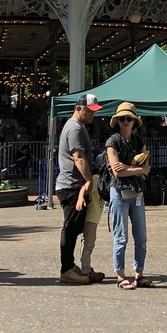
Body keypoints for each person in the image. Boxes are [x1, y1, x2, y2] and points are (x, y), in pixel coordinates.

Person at [57, 94, 102, 284]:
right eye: (89, 111)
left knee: (74, 228)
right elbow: (79, 158)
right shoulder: (75, 128)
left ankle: (69, 266)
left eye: (94, 111)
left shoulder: (76, 126)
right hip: (72, 186)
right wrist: (89, 180)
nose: (92, 115)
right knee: (70, 228)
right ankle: (66, 269)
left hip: (72, 185)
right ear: (78, 109)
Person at [105, 101, 150, 289]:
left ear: (134, 121)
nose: (125, 121)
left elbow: (146, 168)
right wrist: (136, 169)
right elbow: (117, 172)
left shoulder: (139, 141)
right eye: (122, 118)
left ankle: (139, 273)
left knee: (141, 236)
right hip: (118, 192)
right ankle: (120, 275)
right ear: (117, 121)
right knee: (121, 236)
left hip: (137, 193)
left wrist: (127, 168)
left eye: (129, 118)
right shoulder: (112, 141)